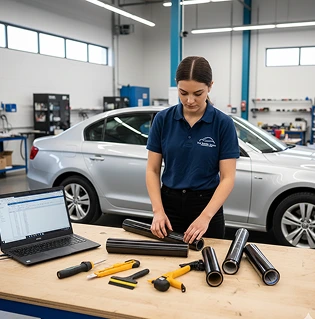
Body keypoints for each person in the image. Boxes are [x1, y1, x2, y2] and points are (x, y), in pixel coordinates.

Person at [146, 56, 239, 245]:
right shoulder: (163, 120)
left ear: (210, 86)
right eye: (183, 92)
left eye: (198, 93)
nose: (189, 100)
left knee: (208, 266)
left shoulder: (223, 124)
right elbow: (152, 170)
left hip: (206, 206)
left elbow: (228, 177)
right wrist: (158, 211)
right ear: (176, 86)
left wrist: (206, 217)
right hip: (168, 207)